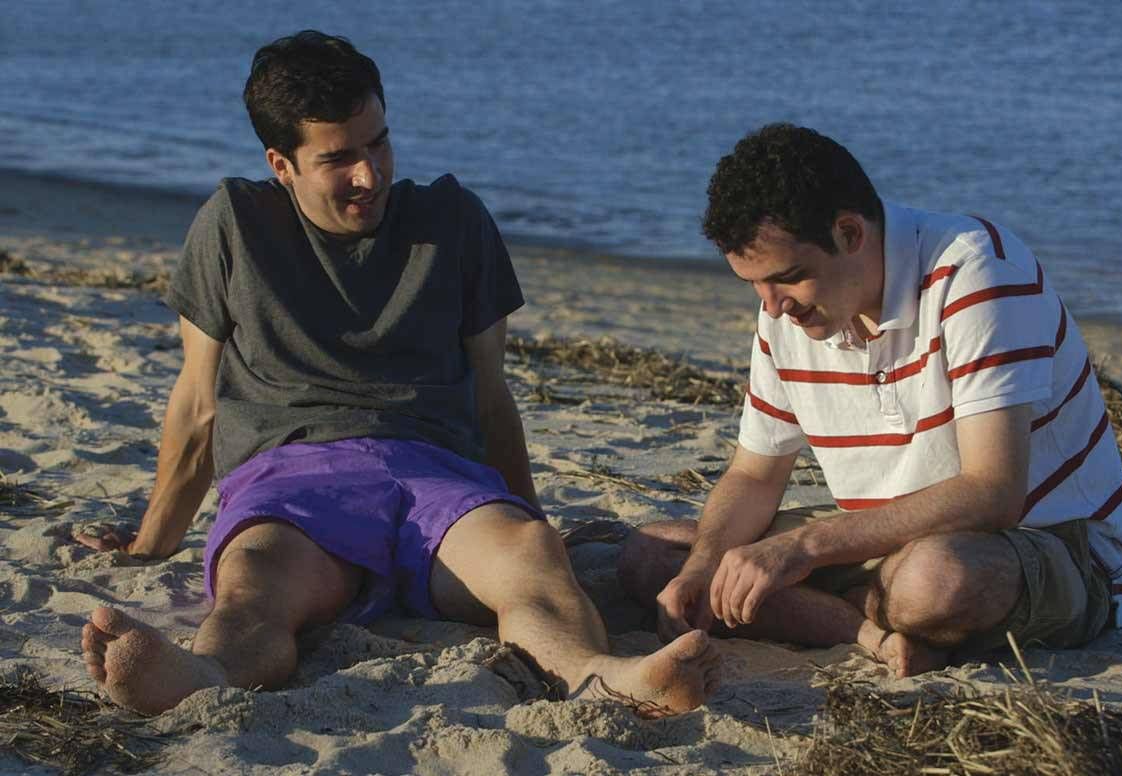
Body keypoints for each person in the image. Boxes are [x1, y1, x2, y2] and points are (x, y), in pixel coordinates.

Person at [75, 30, 719, 716]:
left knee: (530, 559)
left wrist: (530, 514)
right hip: (294, 479)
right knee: (254, 583)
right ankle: (205, 675)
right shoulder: (234, 224)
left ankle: (599, 675)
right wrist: (152, 542)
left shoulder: (454, 220)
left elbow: (493, 398)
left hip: (437, 477)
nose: (370, 174)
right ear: (281, 163)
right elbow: (197, 403)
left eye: (378, 142)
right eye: (339, 158)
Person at [618, 124, 1122, 677]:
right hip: (881, 534)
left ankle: (850, 616)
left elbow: (993, 493)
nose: (772, 308)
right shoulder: (788, 311)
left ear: (850, 233)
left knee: (933, 581)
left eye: (787, 279)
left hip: (1045, 543)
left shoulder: (976, 273)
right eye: (754, 285)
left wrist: (802, 548)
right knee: (654, 557)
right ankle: (868, 632)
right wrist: (702, 567)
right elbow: (754, 475)